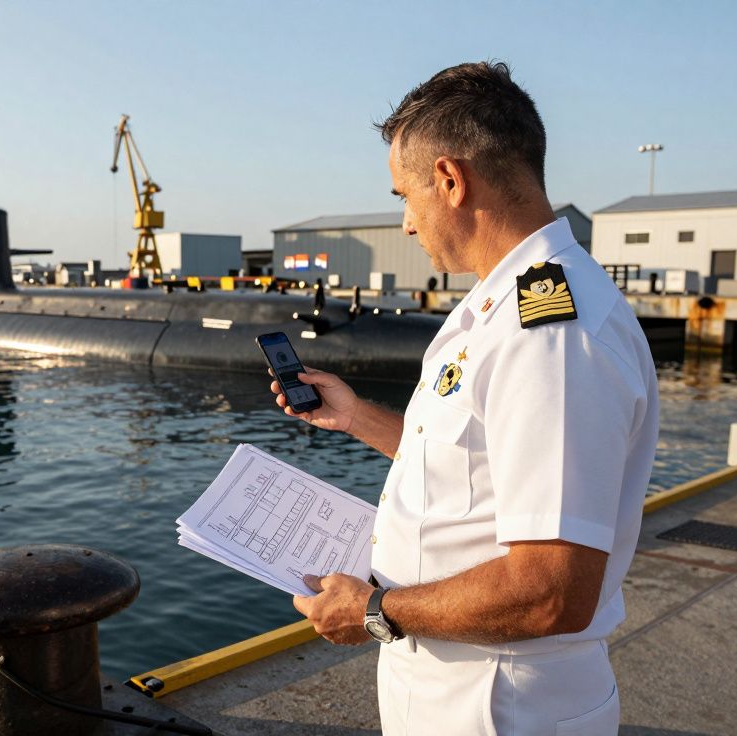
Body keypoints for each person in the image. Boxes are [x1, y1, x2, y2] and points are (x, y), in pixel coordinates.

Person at [270, 62, 658, 735]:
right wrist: (357, 417)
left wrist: (374, 610)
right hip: (460, 693)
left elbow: (551, 592)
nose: (409, 223)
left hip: (503, 708)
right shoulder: (500, 306)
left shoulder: (551, 334)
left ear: (450, 181)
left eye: (405, 195)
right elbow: (476, 470)